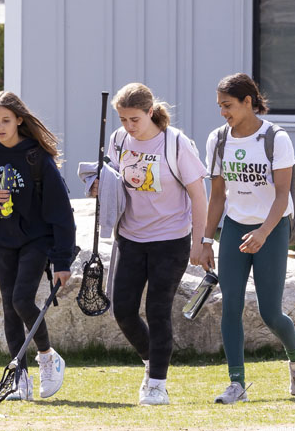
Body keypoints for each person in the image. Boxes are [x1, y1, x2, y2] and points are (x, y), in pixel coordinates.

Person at [200, 72, 295, 405]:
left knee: (270, 313)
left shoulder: (275, 137)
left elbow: (281, 195)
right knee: (230, 306)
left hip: (272, 227)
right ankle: (236, 384)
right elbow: (217, 196)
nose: (223, 112)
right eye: (220, 106)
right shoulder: (218, 139)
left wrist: (263, 233)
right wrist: (206, 241)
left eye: (228, 105)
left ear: (248, 102)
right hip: (235, 227)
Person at [93, 83, 208, 405]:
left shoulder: (175, 144)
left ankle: (157, 383)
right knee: (123, 310)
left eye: (135, 119)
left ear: (150, 112)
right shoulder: (118, 140)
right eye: (123, 119)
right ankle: (152, 361)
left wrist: (200, 242)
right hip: (130, 237)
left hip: (170, 240)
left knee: (157, 311)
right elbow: (115, 180)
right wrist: (99, 186)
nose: (129, 126)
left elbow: (199, 196)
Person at [0, 91, 75, 402]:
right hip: (0, 239)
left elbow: (62, 212)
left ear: (19, 120)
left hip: (36, 239)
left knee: (22, 300)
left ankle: (48, 357)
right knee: (10, 307)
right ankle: (19, 380)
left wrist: (63, 261)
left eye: (5, 120)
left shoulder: (36, 157)